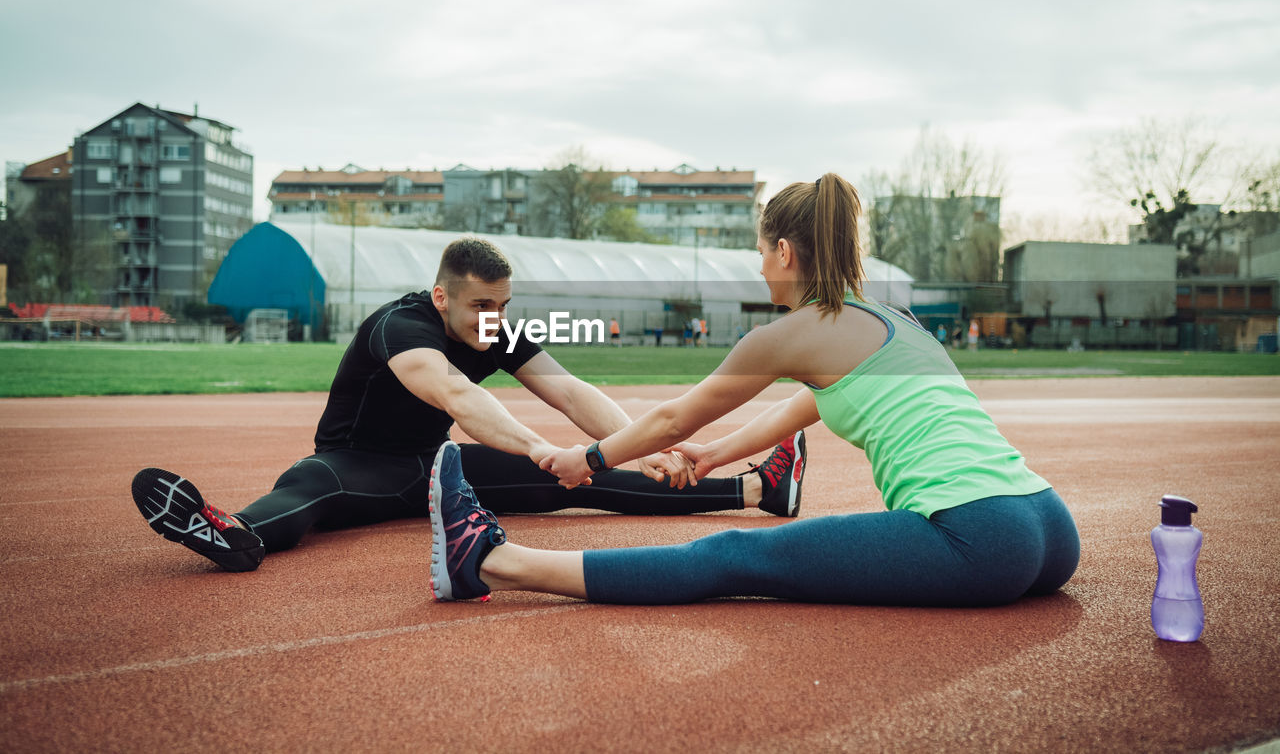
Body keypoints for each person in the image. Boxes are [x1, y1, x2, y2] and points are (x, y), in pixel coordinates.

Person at [428, 174, 1079, 607]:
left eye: (762, 250)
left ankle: (493, 560)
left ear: (787, 252)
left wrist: (590, 458)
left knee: (737, 554)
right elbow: (806, 403)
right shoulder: (894, 324)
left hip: (979, 535)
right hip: (1046, 523)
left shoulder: (793, 333)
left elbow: (673, 417)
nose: (759, 265)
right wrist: (715, 455)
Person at [132, 238, 806, 573]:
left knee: (586, 476)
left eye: (503, 305)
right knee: (310, 483)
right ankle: (234, 533)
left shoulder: (498, 328)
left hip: (435, 466)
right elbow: (457, 392)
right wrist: (537, 446)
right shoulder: (401, 327)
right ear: (442, 297)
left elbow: (569, 391)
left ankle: (756, 491)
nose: (494, 320)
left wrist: (642, 445)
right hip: (357, 464)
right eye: (481, 305)